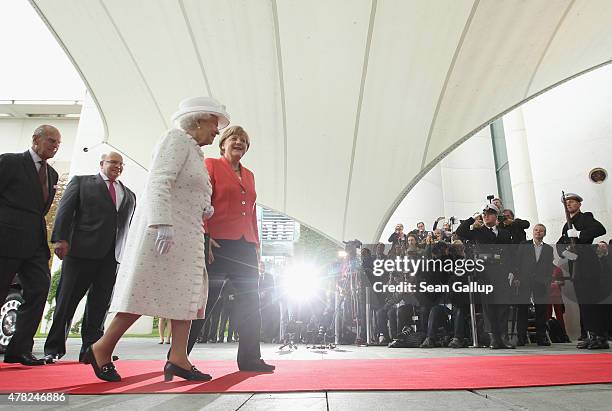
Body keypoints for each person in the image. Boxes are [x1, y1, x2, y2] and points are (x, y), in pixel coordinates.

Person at [86, 96, 228, 382]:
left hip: (187, 233)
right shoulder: (175, 139)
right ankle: (101, 348)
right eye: (215, 123)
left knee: (185, 291)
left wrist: (204, 205)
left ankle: (178, 356)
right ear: (199, 119)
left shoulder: (194, 150)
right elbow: (159, 180)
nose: (217, 130)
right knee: (147, 291)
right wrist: (162, 223)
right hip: (166, 234)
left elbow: (184, 186)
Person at [187, 125, 275, 372]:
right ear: (223, 143)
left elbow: (252, 212)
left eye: (244, 141)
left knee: (251, 302)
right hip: (218, 243)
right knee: (205, 301)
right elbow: (201, 199)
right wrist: (205, 234)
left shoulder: (249, 174)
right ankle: (178, 358)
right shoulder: (212, 165)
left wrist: (256, 247)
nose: (239, 142)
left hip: (245, 245)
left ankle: (250, 359)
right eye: (234, 138)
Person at [43, 152, 136, 363]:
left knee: (100, 304)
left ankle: (91, 350)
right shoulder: (82, 182)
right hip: (81, 253)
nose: (118, 167)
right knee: (67, 301)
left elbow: (127, 227)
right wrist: (60, 239)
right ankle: (54, 348)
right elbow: (65, 211)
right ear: (101, 163)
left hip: (112, 257)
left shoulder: (129, 194)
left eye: (121, 164)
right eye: (113, 162)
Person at [0, 125, 61, 366]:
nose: (54, 146)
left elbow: (42, 209)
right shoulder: (10, 162)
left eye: (58, 144)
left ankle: (20, 349)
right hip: (6, 239)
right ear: (36, 139)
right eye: (50, 141)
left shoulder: (53, 175)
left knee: (39, 288)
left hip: (35, 243)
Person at [456, 203, 514, 349]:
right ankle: (493, 338)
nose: (486, 216)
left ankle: (503, 337)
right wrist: (473, 218)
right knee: (489, 307)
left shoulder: (505, 233)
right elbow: (460, 231)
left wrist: (512, 271)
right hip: (485, 273)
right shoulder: (478, 231)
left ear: (496, 216)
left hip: (502, 273)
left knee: (503, 305)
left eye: (489, 213)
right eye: (484, 213)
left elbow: (510, 253)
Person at [557, 193, 607, 349]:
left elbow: (600, 229)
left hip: (589, 267)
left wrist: (579, 234)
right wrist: (569, 254)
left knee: (592, 301)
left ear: (579, 204)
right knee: (583, 303)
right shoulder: (567, 225)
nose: (569, 204)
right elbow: (561, 246)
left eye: (572, 202)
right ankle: (590, 334)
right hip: (577, 268)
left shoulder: (586, 218)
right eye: (566, 203)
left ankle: (600, 337)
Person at [514, 224, 555, 346]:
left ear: (544, 233)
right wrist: (517, 277)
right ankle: (521, 338)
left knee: (541, 310)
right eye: (536, 230)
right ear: (533, 232)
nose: (538, 232)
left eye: (541, 231)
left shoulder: (548, 249)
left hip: (540, 283)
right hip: (524, 281)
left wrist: (547, 281)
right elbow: (518, 262)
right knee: (522, 310)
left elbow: (549, 267)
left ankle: (541, 338)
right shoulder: (524, 245)